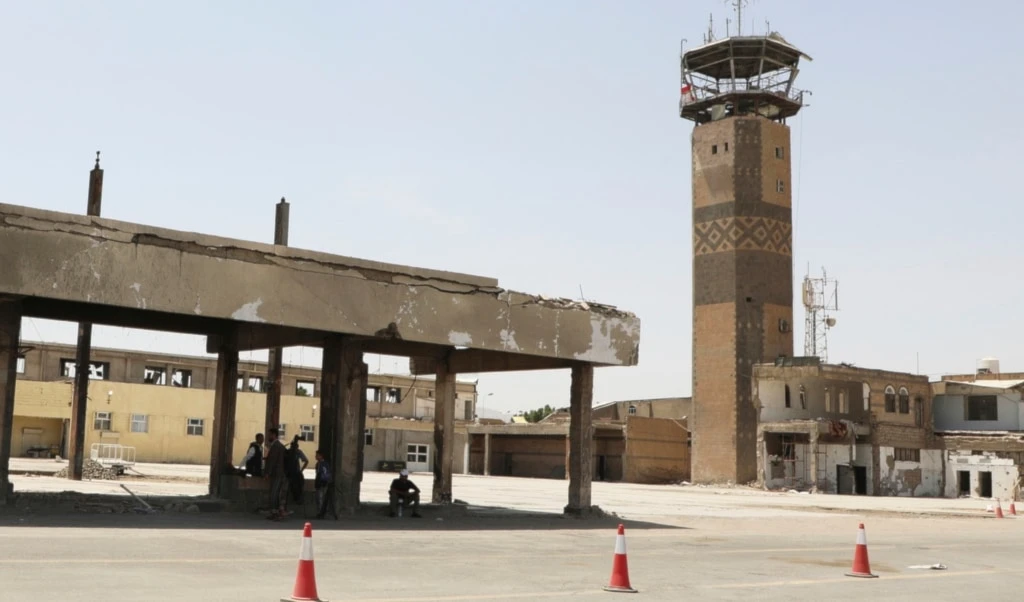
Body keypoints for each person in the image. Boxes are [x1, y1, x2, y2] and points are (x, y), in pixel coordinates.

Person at [264, 428, 287, 520]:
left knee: (274, 493)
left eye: (270, 435)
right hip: (279, 473)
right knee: (276, 493)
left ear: (274, 435)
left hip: (277, 474)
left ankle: (275, 512)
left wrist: (267, 473)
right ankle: (276, 512)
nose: (268, 437)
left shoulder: (276, 446)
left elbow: (272, 461)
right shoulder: (279, 446)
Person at [284, 435, 309, 506]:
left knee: (299, 485)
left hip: (296, 472)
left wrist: (301, 470)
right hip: (290, 472)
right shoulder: (288, 452)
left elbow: (306, 461)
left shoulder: (297, 452)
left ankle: (298, 498)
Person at [314, 449, 336, 519]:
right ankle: (320, 512)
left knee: (321, 498)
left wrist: (322, 481)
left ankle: (321, 512)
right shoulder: (319, 464)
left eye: (317, 455)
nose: (316, 457)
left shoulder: (323, 464)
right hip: (320, 482)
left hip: (322, 483)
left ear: (321, 456)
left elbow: (324, 474)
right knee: (319, 498)